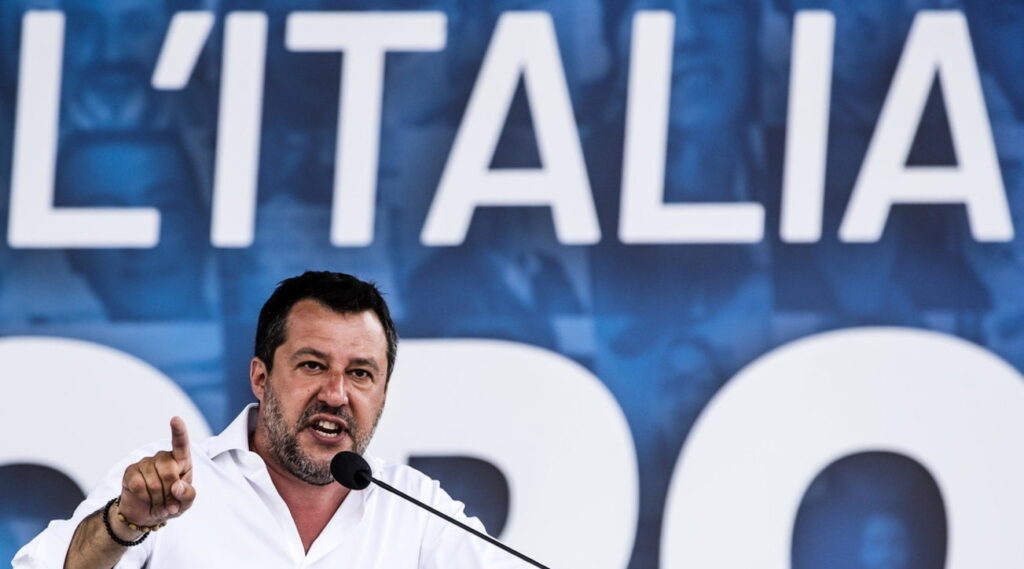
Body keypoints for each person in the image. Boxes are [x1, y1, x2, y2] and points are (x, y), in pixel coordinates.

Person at [13, 271, 527, 568]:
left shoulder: (415, 508)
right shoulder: (169, 486)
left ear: (383, 393)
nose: (336, 394)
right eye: (312, 365)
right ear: (260, 377)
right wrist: (124, 524)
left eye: (361, 373)